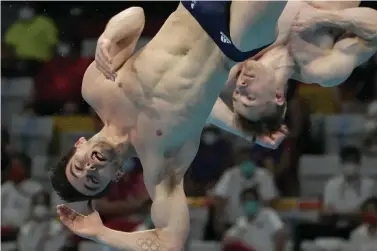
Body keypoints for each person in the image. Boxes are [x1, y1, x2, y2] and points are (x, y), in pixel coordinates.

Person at [51, 2, 289, 251]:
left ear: (80, 144)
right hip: (233, 40)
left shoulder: (95, 90)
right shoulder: (160, 165)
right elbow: (169, 243)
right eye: (93, 180)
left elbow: (136, 15)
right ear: (115, 176)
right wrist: (100, 233)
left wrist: (108, 36)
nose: (90, 167)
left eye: (79, 166)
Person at [210, 1, 377, 132]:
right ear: (278, 97)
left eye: (236, 94)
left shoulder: (238, 52)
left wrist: (246, 133)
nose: (240, 86)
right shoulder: (321, 68)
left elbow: (196, 103)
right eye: (249, 97)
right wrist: (324, 18)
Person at [292, 146, 375, 251]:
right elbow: (327, 213)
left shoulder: (368, 185)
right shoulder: (332, 184)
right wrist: (345, 214)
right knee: (301, 229)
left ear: (359, 163)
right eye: (347, 161)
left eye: (353, 161)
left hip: (355, 229)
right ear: (341, 163)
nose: (350, 165)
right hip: (334, 227)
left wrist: (340, 214)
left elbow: (364, 215)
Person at [223, 186, 287, 251]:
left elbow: (280, 233)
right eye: (245, 200)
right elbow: (227, 239)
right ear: (241, 203)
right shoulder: (241, 222)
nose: (248, 202)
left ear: (257, 201)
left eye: (251, 199)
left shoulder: (268, 214)